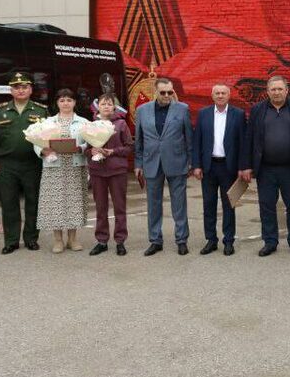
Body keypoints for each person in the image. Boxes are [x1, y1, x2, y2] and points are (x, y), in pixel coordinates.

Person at [244, 75, 290, 257]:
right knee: (267, 206)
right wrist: (246, 165)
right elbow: (249, 138)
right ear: (267, 91)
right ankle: (270, 242)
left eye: (280, 89)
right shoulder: (257, 109)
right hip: (266, 169)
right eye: (273, 89)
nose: (277, 92)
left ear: (287, 90)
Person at [0, 72, 49, 255]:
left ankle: (31, 239)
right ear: (10, 90)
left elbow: (49, 136)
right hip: (7, 164)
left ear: (31, 89)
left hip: (33, 163)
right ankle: (11, 241)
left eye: (24, 87)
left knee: (33, 202)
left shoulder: (41, 110)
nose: (20, 90)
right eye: (16, 87)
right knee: (9, 203)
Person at [134, 77, 196, 256]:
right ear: (155, 92)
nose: (167, 95)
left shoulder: (182, 109)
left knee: (179, 204)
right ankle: (155, 240)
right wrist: (138, 163)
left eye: (170, 92)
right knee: (153, 205)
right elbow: (139, 140)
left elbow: (189, 137)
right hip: (151, 163)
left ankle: (182, 240)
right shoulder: (142, 110)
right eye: (163, 92)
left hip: (177, 161)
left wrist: (191, 162)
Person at [193, 84, 247, 256]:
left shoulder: (238, 114)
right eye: (217, 93)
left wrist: (242, 167)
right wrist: (196, 165)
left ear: (229, 95)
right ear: (212, 95)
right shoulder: (203, 113)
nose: (220, 95)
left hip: (228, 167)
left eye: (223, 93)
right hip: (208, 167)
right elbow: (197, 141)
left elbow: (243, 143)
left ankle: (228, 241)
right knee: (209, 205)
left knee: (229, 205)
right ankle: (211, 240)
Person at [34, 89, 89, 254]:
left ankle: (73, 239)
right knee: (55, 202)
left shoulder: (83, 122)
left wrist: (81, 148)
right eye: (62, 100)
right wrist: (43, 150)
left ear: (74, 102)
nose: (66, 103)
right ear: (57, 103)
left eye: (69, 100)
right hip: (54, 166)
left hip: (75, 166)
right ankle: (58, 240)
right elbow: (36, 140)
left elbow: (90, 141)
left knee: (74, 202)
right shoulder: (47, 122)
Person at [86, 92, 133, 256]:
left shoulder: (121, 124)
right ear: (98, 106)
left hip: (117, 170)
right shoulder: (91, 125)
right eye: (103, 104)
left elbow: (129, 147)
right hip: (97, 171)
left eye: (109, 104)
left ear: (114, 107)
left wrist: (112, 151)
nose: (106, 106)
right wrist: (91, 151)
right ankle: (102, 241)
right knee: (100, 208)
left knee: (119, 207)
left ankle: (120, 241)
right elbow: (85, 149)